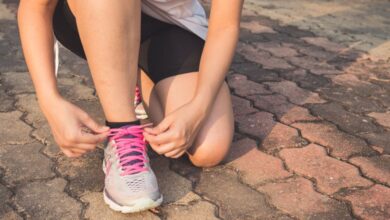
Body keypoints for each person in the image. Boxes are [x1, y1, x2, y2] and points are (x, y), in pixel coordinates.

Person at [18, 0, 243, 213]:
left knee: (208, 148)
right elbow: (35, 7)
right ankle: (123, 133)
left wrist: (197, 108)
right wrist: (49, 99)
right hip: (94, 11)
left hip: (170, 24)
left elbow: (226, 25)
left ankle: (130, 76)